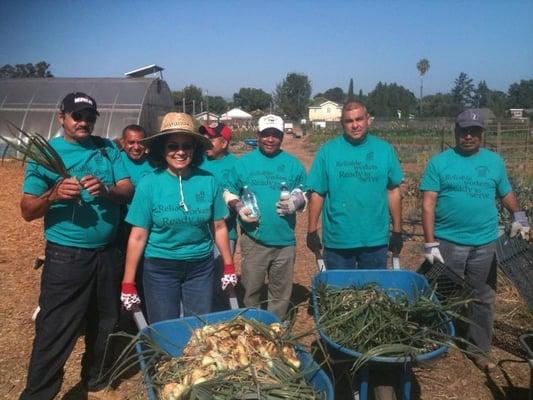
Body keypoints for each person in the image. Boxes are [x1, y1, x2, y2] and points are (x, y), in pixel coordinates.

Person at [20, 92, 133, 400]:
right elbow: (28, 210)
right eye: (77, 116)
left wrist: (107, 189)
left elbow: (127, 188)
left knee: (105, 323)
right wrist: (53, 195)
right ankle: (38, 394)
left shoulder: (107, 148)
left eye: (89, 117)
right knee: (56, 329)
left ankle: (95, 382)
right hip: (66, 257)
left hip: (108, 253)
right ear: (62, 118)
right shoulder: (45, 153)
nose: (84, 122)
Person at [420, 109, 529, 371]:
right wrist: (430, 242)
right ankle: (436, 343)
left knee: (483, 297)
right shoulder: (440, 163)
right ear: (456, 131)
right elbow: (428, 204)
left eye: (474, 131)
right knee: (444, 296)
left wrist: (520, 216)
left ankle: (480, 350)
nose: (468, 136)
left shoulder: (494, 162)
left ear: (482, 134)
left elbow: (505, 192)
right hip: (449, 242)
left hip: (484, 242)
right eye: (464, 131)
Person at [120, 112, 234, 323]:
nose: (180, 152)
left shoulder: (208, 181)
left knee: (199, 328)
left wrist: (228, 264)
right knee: (164, 327)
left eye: (187, 146)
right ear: (162, 149)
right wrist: (128, 282)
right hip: (160, 268)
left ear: (195, 149)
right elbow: (137, 236)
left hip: (200, 266)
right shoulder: (149, 184)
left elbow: (218, 226)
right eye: (173, 146)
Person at [224, 114, 307, 319]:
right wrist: (238, 206)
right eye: (266, 134)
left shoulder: (292, 164)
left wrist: (296, 201)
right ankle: (252, 328)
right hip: (254, 239)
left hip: (285, 241)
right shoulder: (244, 163)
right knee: (251, 290)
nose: (270, 139)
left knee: (280, 293)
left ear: (281, 136)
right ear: (258, 135)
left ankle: (275, 329)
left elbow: (305, 192)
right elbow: (228, 191)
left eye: (276, 135)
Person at [306, 101, 404, 269]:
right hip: (338, 240)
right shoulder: (328, 151)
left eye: (359, 119)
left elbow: (393, 190)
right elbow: (318, 193)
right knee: (340, 292)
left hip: (375, 239)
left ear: (368, 120)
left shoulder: (384, 150)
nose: (355, 125)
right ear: (342, 123)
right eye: (349, 121)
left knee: (373, 291)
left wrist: (397, 230)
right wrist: (311, 230)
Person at [199, 122, 239, 310]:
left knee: (221, 281)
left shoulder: (236, 165)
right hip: (198, 234)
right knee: (200, 280)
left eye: (211, 138)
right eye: (205, 137)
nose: (206, 141)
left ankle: (221, 317)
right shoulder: (196, 161)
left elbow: (240, 198)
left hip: (224, 233)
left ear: (224, 143)